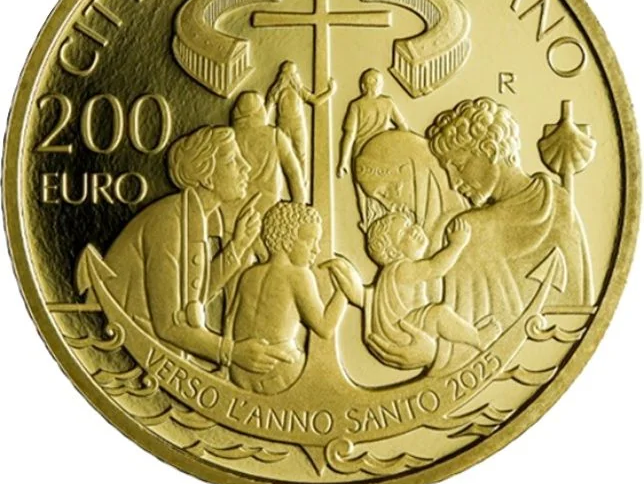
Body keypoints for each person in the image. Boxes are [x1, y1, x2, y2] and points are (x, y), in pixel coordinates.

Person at [87, 126, 293, 374]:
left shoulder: (197, 217)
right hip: (122, 350)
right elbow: (168, 325)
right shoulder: (168, 221)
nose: (246, 167)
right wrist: (230, 352)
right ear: (206, 176)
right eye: (232, 161)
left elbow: (195, 298)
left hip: (156, 354)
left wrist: (237, 246)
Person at [426, 97, 595, 329]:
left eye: (460, 166)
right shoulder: (559, 200)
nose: (454, 183)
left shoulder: (469, 229)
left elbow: (460, 336)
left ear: (490, 151)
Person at [229, 202, 348, 394]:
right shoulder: (299, 275)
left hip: (239, 373)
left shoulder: (249, 274)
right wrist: (344, 292)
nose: (316, 249)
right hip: (279, 370)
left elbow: (229, 319)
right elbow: (325, 328)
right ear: (286, 241)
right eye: (310, 241)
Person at [365, 212, 500, 368]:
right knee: (439, 313)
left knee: (434, 315)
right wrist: (457, 244)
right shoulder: (402, 269)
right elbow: (435, 268)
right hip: (404, 333)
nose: (414, 230)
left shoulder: (392, 272)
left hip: (407, 327)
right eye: (403, 233)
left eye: (409, 224)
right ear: (393, 253)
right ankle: (477, 338)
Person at [230, 91, 307, 214]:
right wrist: (299, 202)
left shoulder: (230, 137)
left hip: (235, 206)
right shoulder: (275, 136)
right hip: (269, 205)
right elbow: (293, 171)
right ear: (259, 111)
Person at [266, 60, 336, 175]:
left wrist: (330, 92)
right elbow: (315, 101)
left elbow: (266, 113)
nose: (295, 75)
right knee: (298, 155)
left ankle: (301, 181)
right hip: (292, 125)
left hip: (288, 125)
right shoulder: (288, 89)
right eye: (294, 73)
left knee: (291, 155)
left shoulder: (281, 90)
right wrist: (331, 91)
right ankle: (300, 180)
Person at [337, 68, 407, 178]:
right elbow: (403, 128)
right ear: (381, 85)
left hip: (361, 153)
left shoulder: (356, 105)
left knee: (362, 187)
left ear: (363, 86)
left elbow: (350, 135)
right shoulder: (388, 103)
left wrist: (343, 161)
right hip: (383, 153)